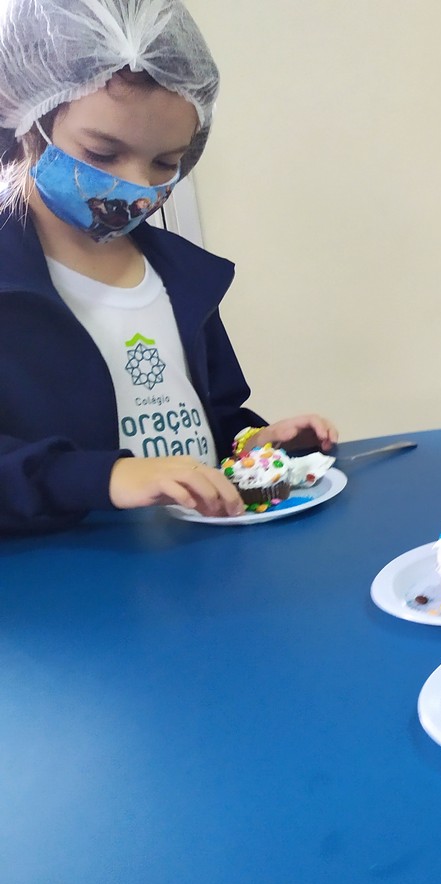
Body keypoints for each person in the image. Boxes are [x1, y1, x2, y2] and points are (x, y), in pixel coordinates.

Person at [0, 0, 336, 534]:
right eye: (103, 154)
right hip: (71, 572)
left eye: (165, 162)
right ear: (24, 121)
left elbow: (209, 414)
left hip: (193, 557)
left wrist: (252, 443)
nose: (136, 184)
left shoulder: (183, 276)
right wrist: (105, 477)